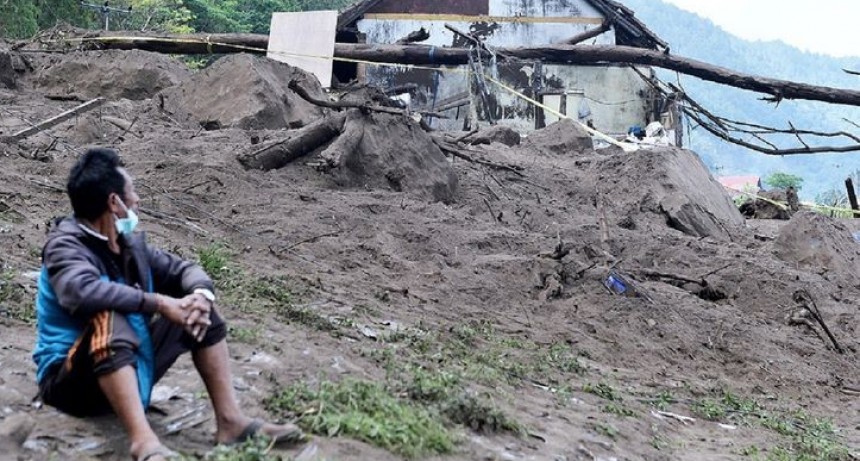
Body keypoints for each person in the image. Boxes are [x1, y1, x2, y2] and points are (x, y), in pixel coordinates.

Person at [32, 148, 302, 461]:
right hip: (70, 385)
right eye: (132, 192)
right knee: (110, 318)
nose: (137, 200)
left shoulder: (128, 244)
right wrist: (160, 303)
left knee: (201, 311)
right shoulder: (65, 246)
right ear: (114, 202)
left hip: (128, 365)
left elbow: (183, 270)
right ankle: (143, 442)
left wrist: (200, 295)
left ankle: (230, 423)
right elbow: (82, 293)